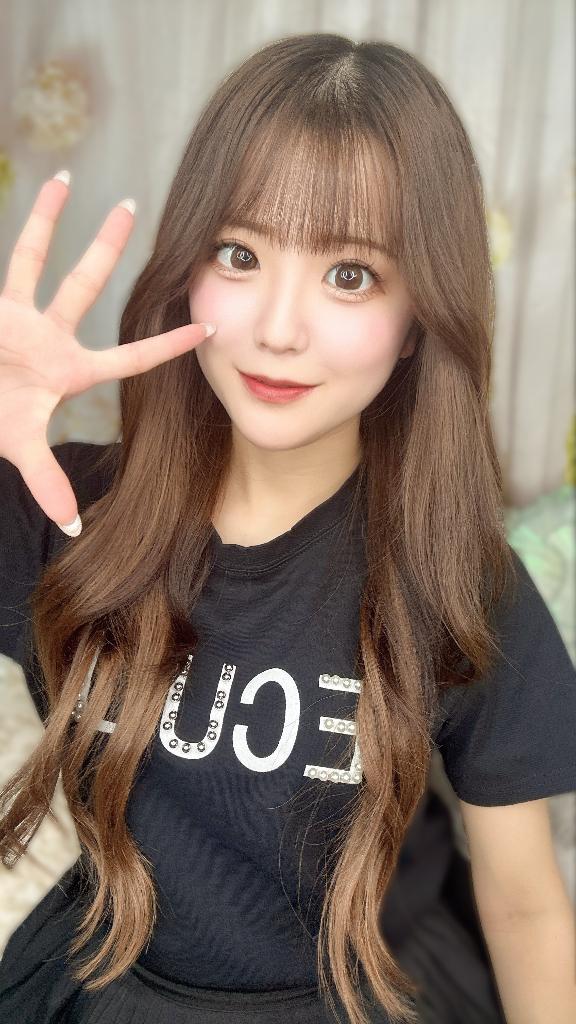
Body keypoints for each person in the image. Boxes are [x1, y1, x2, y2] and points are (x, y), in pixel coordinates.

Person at [0, 31, 574, 1024]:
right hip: (95, 985)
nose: (277, 328)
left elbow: (524, 903)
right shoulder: (59, 503)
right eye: (240, 254)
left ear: (418, 315)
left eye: (350, 274)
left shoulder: (457, 579)